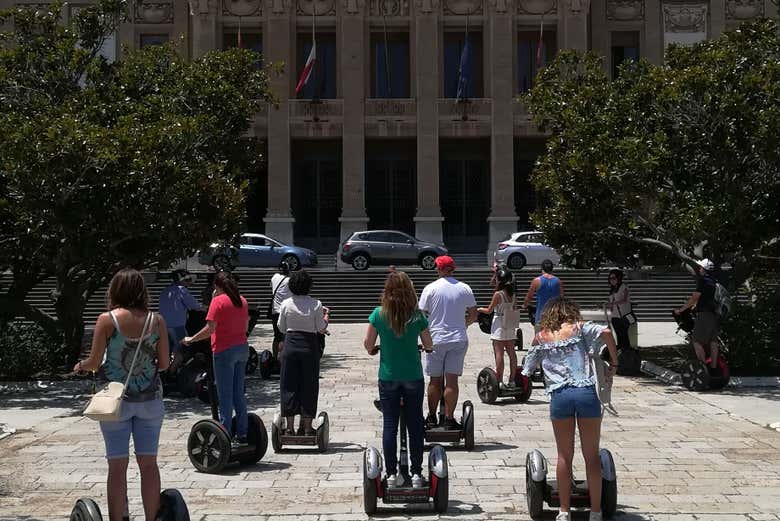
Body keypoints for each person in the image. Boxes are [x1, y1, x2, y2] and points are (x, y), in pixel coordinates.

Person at [74, 268, 169, 521]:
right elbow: (164, 364)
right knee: (148, 465)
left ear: (115, 290)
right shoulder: (156, 321)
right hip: (150, 400)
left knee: (117, 467)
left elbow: (94, 362)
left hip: (115, 404)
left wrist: (81, 365)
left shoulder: (107, 320)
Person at [521, 297, 618, 521]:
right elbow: (606, 332)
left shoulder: (541, 336)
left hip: (560, 396)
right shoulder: (579, 328)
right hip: (585, 393)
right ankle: (595, 511)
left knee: (564, 455)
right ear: (571, 312)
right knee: (592, 456)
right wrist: (614, 362)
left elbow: (527, 369)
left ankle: (564, 511)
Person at [363, 271, 434, 489]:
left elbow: (367, 343)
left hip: (389, 376)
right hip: (412, 376)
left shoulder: (378, 314)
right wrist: (426, 348)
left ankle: (392, 474)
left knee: (390, 425)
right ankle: (415, 473)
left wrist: (375, 349)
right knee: (415, 424)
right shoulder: (417, 315)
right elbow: (429, 343)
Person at [184, 272, 250, 448]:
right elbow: (245, 326)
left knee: (224, 394)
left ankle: (225, 433)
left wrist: (191, 339)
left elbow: (210, 328)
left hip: (224, 350)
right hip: (242, 348)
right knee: (238, 393)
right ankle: (243, 433)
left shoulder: (217, 301)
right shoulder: (241, 300)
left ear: (217, 286)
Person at [418, 255, 477, 430]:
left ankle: (431, 416)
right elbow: (473, 314)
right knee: (452, 381)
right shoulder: (464, 288)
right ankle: (449, 418)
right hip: (457, 338)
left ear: (439, 269)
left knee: (434, 381)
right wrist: (463, 325)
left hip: (436, 338)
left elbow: (421, 315)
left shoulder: (430, 288)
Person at [277, 270, 329, 436]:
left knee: (289, 384)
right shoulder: (316, 304)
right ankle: (306, 427)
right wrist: (326, 316)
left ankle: (290, 427)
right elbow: (321, 328)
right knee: (309, 385)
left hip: (291, 344)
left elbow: (281, 327)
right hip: (308, 346)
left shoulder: (286, 304)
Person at [477, 265, 521, 389]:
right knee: (512, 353)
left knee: (499, 353)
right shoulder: (513, 295)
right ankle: (512, 380)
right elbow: (514, 308)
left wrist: (479, 309)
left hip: (499, 323)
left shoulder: (498, 294)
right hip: (510, 323)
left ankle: (500, 381)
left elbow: (489, 310)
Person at [675, 259, 720, 371]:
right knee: (713, 341)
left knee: (696, 341)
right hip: (714, 314)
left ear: (704, 269)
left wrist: (681, 310)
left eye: (701, 267)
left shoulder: (703, 280)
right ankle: (713, 367)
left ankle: (702, 368)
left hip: (704, 314)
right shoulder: (714, 281)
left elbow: (695, 298)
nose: (699, 269)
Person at [158, 269, 202, 373]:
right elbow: (195, 306)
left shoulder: (165, 290)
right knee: (184, 350)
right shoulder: (182, 290)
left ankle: (164, 373)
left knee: (167, 351)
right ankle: (172, 373)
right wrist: (206, 307)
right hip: (178, 327)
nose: (190, 282)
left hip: (164, 327)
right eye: (188, 279)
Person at [523, 259, 564, 329]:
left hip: (541, 317)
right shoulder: (558, 281)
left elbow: (528, 297)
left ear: (542, 269)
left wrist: (525, 305)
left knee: (539, 338)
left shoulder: (536, 281)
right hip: (555, 317)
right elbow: (562, 298)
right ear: (552, 269)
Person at [605, 269, 633, 351]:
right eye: (610, 278)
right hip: (615, 315)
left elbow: (624, 300)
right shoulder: (612, 289)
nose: (612, 280)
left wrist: (612, 304)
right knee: (618, 335)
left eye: (614, 278)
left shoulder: (623, 287)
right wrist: (608, 305)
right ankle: (621, 353)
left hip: (623, 315)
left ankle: (627, 352)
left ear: (619, 278)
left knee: (624, 335)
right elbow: (611, 301)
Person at [270, 261, 293, 358]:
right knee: (285, 336)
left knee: (277, 336)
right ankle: (284, 358)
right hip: (286, 311)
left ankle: (275, 357)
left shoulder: (274, 277)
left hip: (275, 311)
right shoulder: (290, 280)